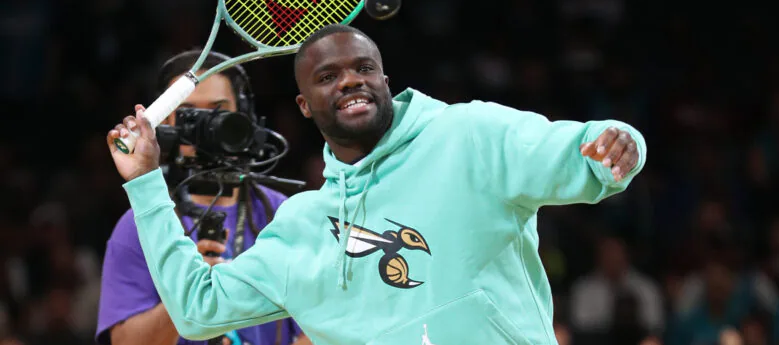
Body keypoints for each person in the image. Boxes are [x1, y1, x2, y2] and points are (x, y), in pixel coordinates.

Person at [105, 24, 647, 345]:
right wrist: (147, 183)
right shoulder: (301, 227)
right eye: (327, 76)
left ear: (385, 78)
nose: (350, 80)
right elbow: (198, 309)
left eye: (363, 67)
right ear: (304, 106)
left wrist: (617, 144)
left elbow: (580, 150)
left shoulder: (470, 135)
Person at [96, 50, 309, 345]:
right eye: (189, 114)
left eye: (218, 110)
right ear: (165, 126)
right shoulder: (139, 224)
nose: (206, 126)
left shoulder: (284, 215)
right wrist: (190, 290)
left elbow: (322, 326)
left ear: (243, 115)